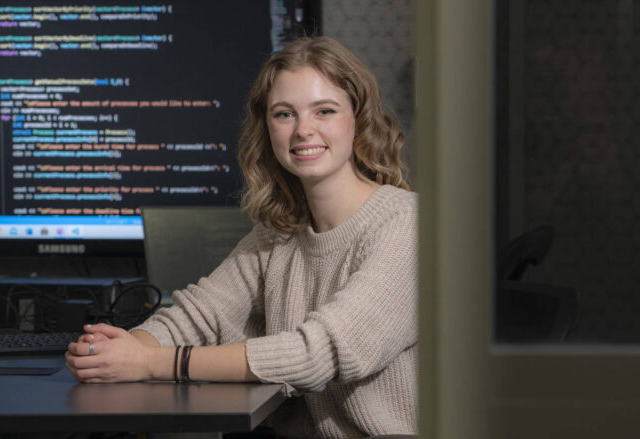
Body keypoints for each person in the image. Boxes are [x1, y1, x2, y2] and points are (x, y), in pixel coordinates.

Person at [65, 36, 418, 438]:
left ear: (359, 118)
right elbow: (201, 314)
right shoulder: (278, 232)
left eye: (325, 110)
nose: (304, 130)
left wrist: (149, 363)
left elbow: (316, 354)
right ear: (267, 128)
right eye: (284, 114)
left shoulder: (406, 225)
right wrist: (118, 349)